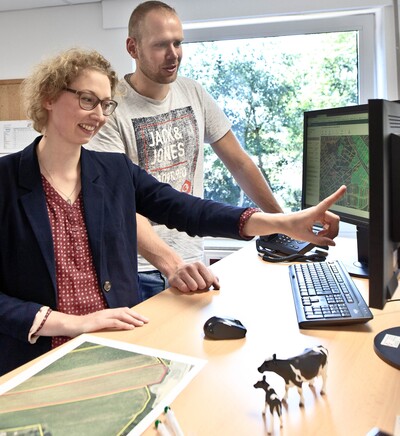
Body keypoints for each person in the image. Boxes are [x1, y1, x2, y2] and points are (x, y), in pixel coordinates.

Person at [0, 47, 345, 375]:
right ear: (48, 96)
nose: (99, 116)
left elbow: (189, 210)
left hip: (117, 348)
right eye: (87, 100)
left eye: (106, 105)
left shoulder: (114, 172)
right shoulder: (6, 181)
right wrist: (68, 322)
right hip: (37, 358)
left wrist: (283, 223)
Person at [87, 0, 284, 300]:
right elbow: (121, 203)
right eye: (160, 45)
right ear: (132, 48)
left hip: (192, 261)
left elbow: (239, 163)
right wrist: (171, 264)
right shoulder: (110, 109)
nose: (173, 54)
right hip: (141, 270)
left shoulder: (193, 92)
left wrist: (283, 223)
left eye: (178, 42)